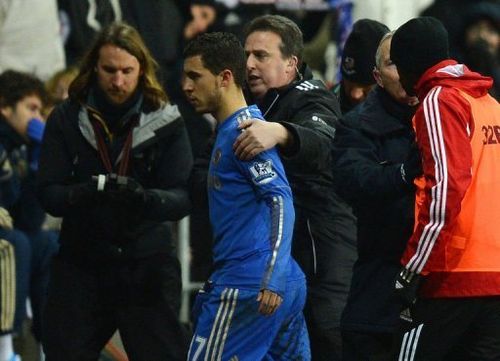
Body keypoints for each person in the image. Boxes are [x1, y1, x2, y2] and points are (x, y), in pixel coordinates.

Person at [37, 22, 192, 361]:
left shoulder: (166, 121)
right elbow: (48, 193)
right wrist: (86, 193)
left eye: (127, 71)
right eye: (109, 70)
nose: (118, 81)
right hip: (82, 261)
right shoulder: (66, 118)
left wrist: (145, 199)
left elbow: (182, 197)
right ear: (94, 67)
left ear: (142, 70)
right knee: (62, 352)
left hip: (146, 263)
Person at [232, 14, 357, 361]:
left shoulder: (311, 97)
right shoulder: (240, 102)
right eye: (246, 55)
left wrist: (282, 132)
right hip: (266, 249)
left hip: (320, 244)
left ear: (291, 64)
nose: (250, 64)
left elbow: (323, 141)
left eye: (261, 55)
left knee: (326, 331)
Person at [183, 31, 310, 360]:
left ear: (225, 77)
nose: (186, 86)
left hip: (251, 285)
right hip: (274, 282)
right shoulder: (230, 132)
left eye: (195, 76)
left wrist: (274, 275)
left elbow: (280, 198)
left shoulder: (245, 134)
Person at [390, 17, 500, 360]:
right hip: (495, 274)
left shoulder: (440, 99)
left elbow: (448, 187)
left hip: (452, 272)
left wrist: (413, 267)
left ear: (409, 64)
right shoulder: (489, 104)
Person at [332, 31, 420, 361]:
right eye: (394, 62)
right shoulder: (357, 125)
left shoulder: (452, 118)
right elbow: (352, 180)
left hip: (444, 291)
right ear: (377, 76)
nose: (407, 70)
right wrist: (401, 173)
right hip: (379, 285)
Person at [331, 19, 390, 114]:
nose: (355, 95)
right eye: (349, 84)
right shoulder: (326, 106)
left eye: (365, 86)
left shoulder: (404, 112)